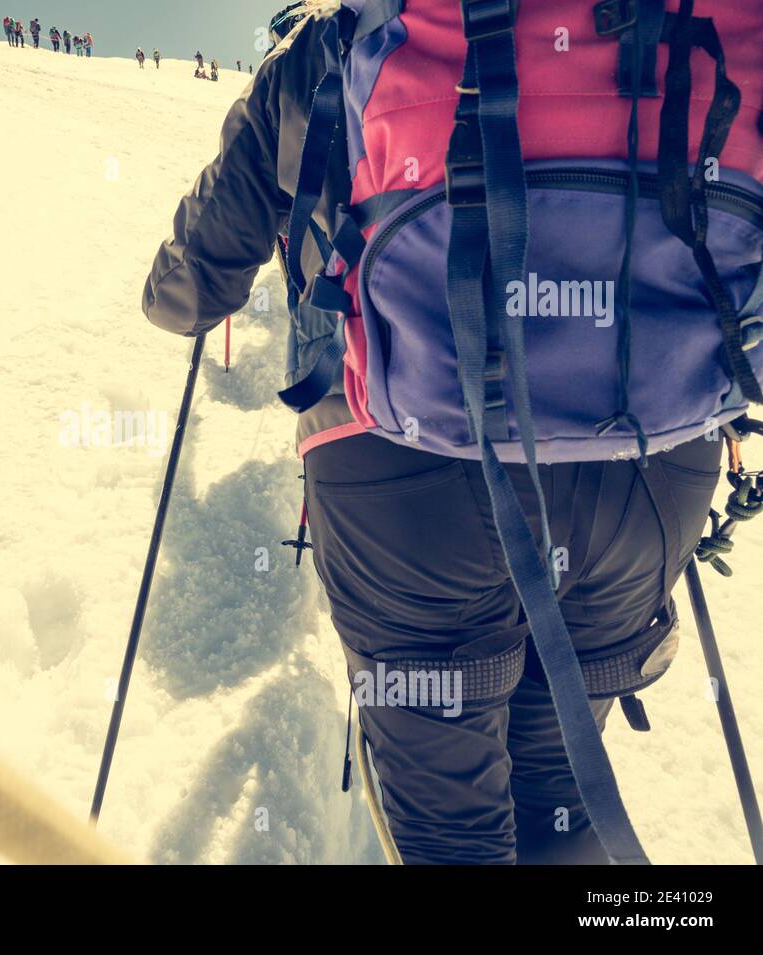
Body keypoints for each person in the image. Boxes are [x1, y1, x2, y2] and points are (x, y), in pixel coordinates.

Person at [142, 1, 763, 865]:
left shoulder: (338, 38)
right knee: (558, 789)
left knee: (455, 836)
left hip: (405, 472)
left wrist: (175, 288)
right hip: (648, 469)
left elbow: (187, 292)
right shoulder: (693, 17)